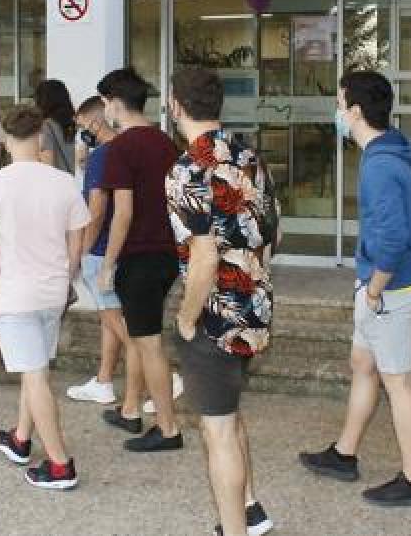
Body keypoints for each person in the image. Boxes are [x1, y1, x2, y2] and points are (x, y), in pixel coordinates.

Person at [299, 70, 411, 507]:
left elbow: (391, 241)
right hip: (382, 285)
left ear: (355, 111)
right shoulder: (393, 149)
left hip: (390, 288)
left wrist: (374, 289)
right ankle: (344, 453)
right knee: (363, 363)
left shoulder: (380, 165)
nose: (337, 112)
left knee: (398, 383)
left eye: (340, 104)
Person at [167, 68, 278, 536]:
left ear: (175, 106)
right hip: (254, 307)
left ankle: (233, 529)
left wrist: (188, 318)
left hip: (215, 317)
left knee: (216, 432)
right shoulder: (250, 155)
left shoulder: (187, 169)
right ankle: (250, 507)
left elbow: (204, 256)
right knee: (230, 416)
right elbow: (271, 233)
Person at [0, 104, 90, 490]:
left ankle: (60, 465)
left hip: (14, 294)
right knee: (35, 367)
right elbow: (78, 243)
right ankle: (21, 439)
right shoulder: (65, 183)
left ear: (5, 140)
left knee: (35, 376)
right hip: (53, 292)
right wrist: (65, 278)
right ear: (40, 136)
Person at [96, 67, 184, 452]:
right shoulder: (166, 142)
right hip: (166, 256)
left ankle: (168, 429)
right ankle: (133, 410)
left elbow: (123, 213)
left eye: (104, 104)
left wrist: (107, 264)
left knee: (149, 344)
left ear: (115, 102)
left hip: (140, 258)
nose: (104, 112)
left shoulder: (121, 147)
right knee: (141, 336)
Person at [65, 96, 126, 406]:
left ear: (94, 120)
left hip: (101, 251)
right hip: (119, 247)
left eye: (81, 124)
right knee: (110, 319)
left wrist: (82, 252)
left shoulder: (103, 156)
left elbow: (97, 208)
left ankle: (166, 378)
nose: (81, 131)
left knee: (120, 325)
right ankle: (104, 381)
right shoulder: (122, 149)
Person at [33, 78, 77, 174]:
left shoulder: (45, 126)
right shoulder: (76, 123)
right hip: (73, 182)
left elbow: (47, 165)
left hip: (56, 183)